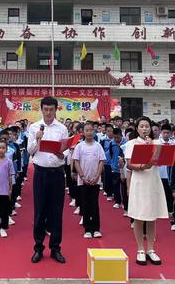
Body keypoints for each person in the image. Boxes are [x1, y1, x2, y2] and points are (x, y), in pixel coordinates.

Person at [27, 96, 69, 264]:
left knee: (56, 212)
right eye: (46, 109)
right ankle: (38, 248)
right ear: (41, 109)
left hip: (57, 174)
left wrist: (61, 153)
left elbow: (65, 152)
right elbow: (30, 151)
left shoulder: (62, 128)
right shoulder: (34, 128)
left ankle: (55, 248)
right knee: (40, 212)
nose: (49, 112)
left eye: (52, 109)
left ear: (56, 110)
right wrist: (38, 139)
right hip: (40, 174)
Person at [125, 116, 168, 266]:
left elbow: (163, 160)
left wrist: (153, 149)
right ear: (137, 129)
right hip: (139, 180)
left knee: (152, 216)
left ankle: (151, 249)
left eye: (147, 126)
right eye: (141, 126)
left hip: (153, 181)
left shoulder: (157, 143)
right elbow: (129, 164)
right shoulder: (131, 143)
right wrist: (142, 166)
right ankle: (140, 249)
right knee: (139, 215)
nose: (145, 129)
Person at [72, 121, 105, 238]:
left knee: (94, 204)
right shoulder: (79, 146)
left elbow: (101, 161)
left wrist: (96, 176)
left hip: (95, 181)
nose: (89, 132)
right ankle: (87, 229)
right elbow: (76, 161)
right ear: (83, 132)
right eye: (87, 130)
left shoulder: (98, 146)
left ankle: (96, 228)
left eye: (91, 130)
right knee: (85, 204)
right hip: (83, 181)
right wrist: (82, 176)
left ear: (94, 131)